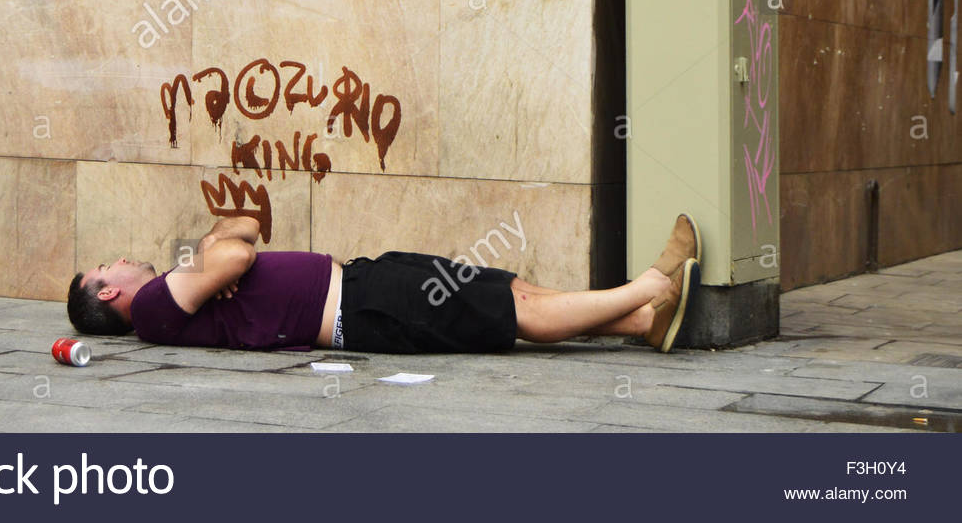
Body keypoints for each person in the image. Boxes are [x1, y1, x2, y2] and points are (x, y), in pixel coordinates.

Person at [67, 214, 701, 355]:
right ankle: (646, 285)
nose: (120, 258)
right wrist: (215, 256)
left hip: (363, 279)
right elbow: (235, 259)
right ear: (105, 294)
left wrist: (208, 246)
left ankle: (641, 324)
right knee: (512, 316)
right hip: (361, 309)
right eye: (106, 266)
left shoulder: (169, 284)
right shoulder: (150, 309)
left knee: (509, 289)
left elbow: (247, 226)